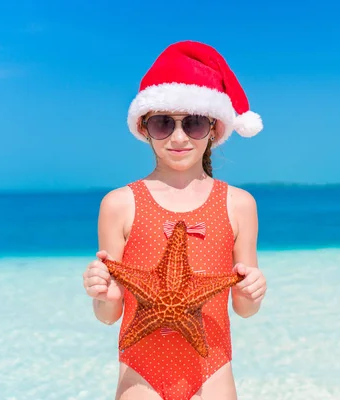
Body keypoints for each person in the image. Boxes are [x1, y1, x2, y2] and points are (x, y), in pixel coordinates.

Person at [81, 40, 267, 400]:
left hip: (212, 371)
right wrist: (102, 293)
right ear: (144, 127)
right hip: (140, 375)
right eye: (164, 123)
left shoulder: (239, 204)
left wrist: (253, 291)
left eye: (194, 123)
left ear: (214, 128)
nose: (179, 137)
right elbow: (108, 315)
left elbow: (244, 309)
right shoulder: (119, 203)